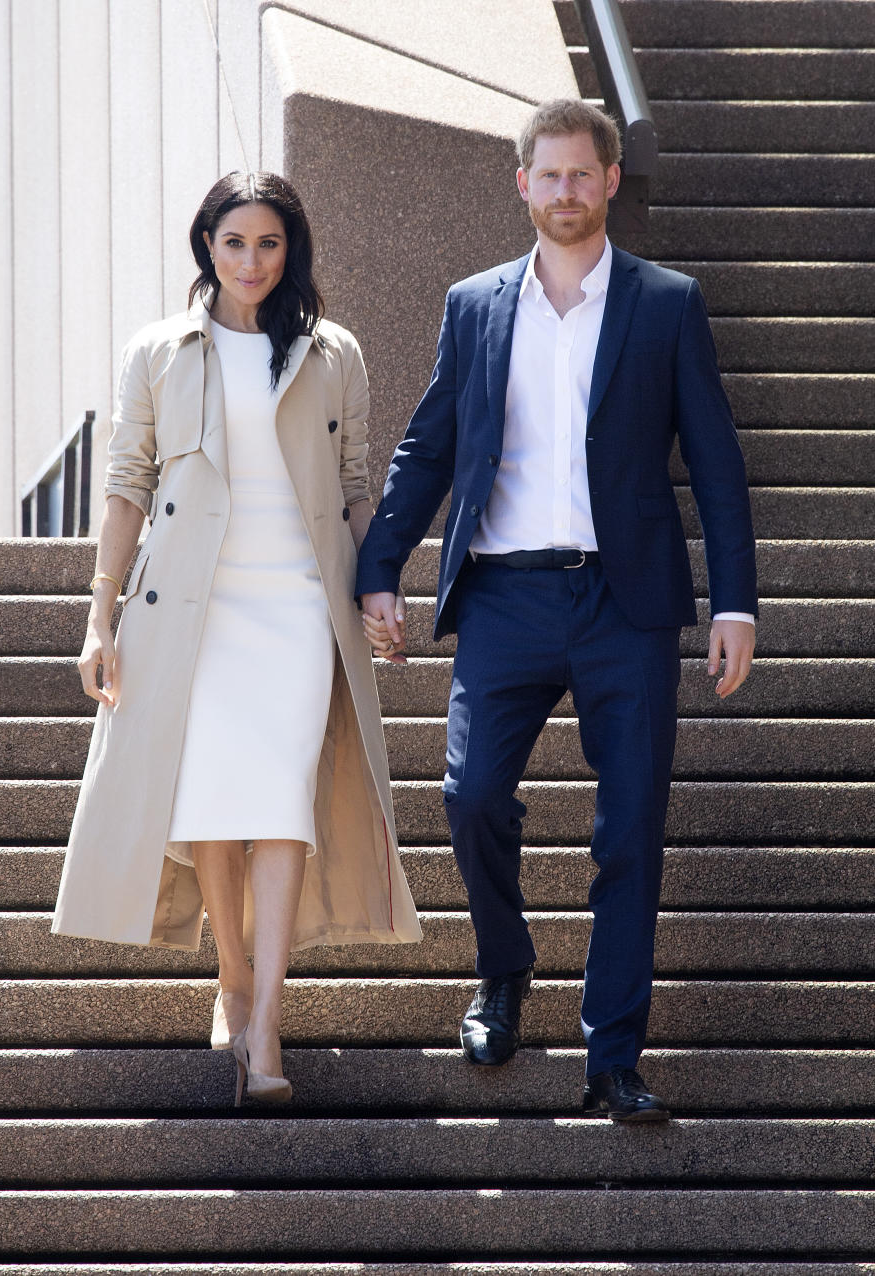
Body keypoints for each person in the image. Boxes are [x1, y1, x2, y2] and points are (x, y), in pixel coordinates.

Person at [357, 100, 757, 1122]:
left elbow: (714, 462)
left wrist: (736, 602)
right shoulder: (476, 304)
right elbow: (427, 450)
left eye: (585, 175)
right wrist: (379, 567)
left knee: (631, 832)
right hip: (504, 594)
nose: (568, 193)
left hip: (627, 604)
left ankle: (613, 1053)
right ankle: (504, 971)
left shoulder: (667, 303)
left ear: (611, 181)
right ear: (522, 183)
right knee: (471, 794)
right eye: (551, 176)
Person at [53, 171, 421, 1106]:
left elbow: (354, 484)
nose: (252, 262)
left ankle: (265, 1029)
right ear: (205, 247)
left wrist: (377, 587)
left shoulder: (331, 350)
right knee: (214, 803)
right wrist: (101, 613)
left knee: (280, 805)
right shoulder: (160, 351)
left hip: (298, 605)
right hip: (193, 608)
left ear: (290, 250)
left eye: (269, 244)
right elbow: (128, 483)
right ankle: (233, 979)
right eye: (234, 243)